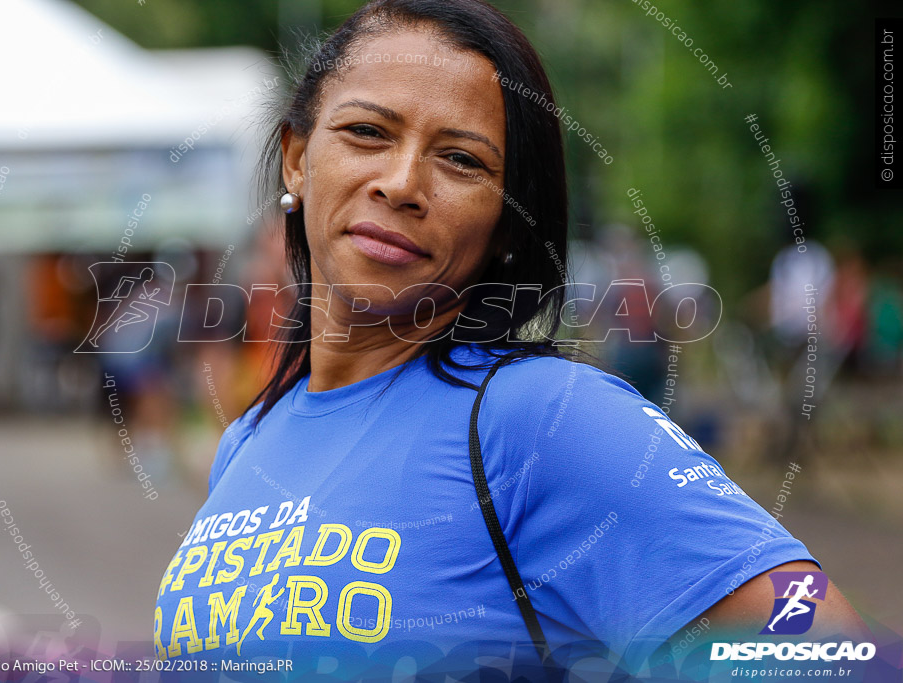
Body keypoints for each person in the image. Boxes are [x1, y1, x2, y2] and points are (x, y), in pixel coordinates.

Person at [154, 0, 872, 679]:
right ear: (297, 160)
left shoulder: (544, 417)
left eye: (462, 160)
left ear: (504, 223)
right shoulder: (248, 440)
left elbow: (827, 653)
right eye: (367, 132)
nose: (401, 183)